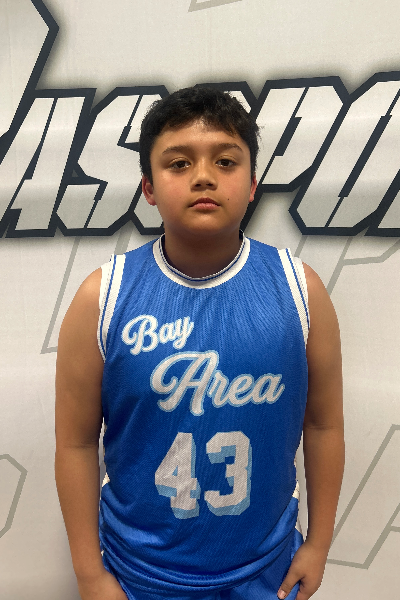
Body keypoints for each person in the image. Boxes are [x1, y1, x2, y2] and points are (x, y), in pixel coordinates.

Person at [55, 87, 344, 600]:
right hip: (138, 574)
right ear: (148, 187)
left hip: (267, 572)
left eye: (225, 161)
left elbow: (323, 425)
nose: (204, 176)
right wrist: (89, 573)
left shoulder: (301, 290)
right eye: (179, 163)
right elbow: (75, 444)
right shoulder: (103, 297)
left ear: (252, 184)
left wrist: (319, 543)